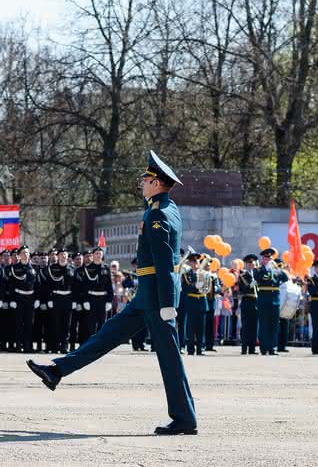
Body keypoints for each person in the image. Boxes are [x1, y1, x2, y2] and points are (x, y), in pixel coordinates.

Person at [27, 150, 197, 435]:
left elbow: (166, 261)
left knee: (169, 358)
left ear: (156, 183)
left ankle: (185, 418)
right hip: (147, 296)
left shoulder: (158, 215)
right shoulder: (167, 209)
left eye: (145, 178)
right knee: (105, 336)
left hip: (157, 298)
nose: (141, 182)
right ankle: (56, 371)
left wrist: (168, 302)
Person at [255, 247, 288, 355]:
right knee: (264, 324)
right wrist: (267, 269)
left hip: (275, 300)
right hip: (264, 300)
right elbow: (258, 277)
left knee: (274, 325)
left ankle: (272, 347)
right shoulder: (259, 270)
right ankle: (264, 347)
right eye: (266, 258)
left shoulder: (276, 270)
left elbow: (285, 278)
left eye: (270, 258)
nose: (268, 260)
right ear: (263, 259)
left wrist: (279, 270)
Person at [181, 253, 207, 355]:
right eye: (194, 261)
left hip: (201, 301)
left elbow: (207, 287)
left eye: (197, 261)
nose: (196, 263)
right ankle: (191, 349)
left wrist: (202, 286)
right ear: (190, 263)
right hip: (192, 301)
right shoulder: (187, 275)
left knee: (201, 327)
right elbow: (185, 289)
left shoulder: (204, 274)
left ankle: (200, 348)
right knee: (191, 327)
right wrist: (195, 286)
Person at [238, 254, 260, 355]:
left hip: (256, 302)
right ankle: (244, 348)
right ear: (246, 264)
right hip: (247, 301)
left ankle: (252, 348)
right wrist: (251, 285)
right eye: (249, 263)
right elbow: (243, 289)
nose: (251, 265)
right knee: (246, 326)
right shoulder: (243, 274)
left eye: (253, 263)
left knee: (254, 326)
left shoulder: (256, 274)